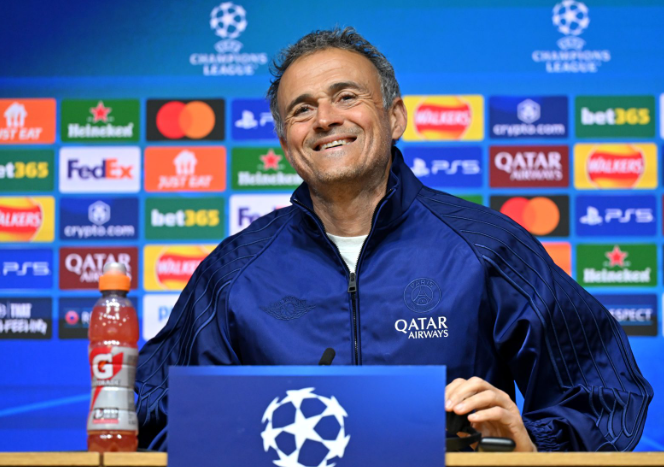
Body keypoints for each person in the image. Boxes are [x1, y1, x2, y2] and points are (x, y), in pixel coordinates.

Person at [135, 27, 652, 452]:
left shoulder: (489, 247)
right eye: (302, 109)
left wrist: (532, 444)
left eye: (346, 97)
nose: (325, 119)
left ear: (395, 116)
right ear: (286, 142)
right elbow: (157, 415)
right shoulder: (232, 273)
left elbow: (606, 393)